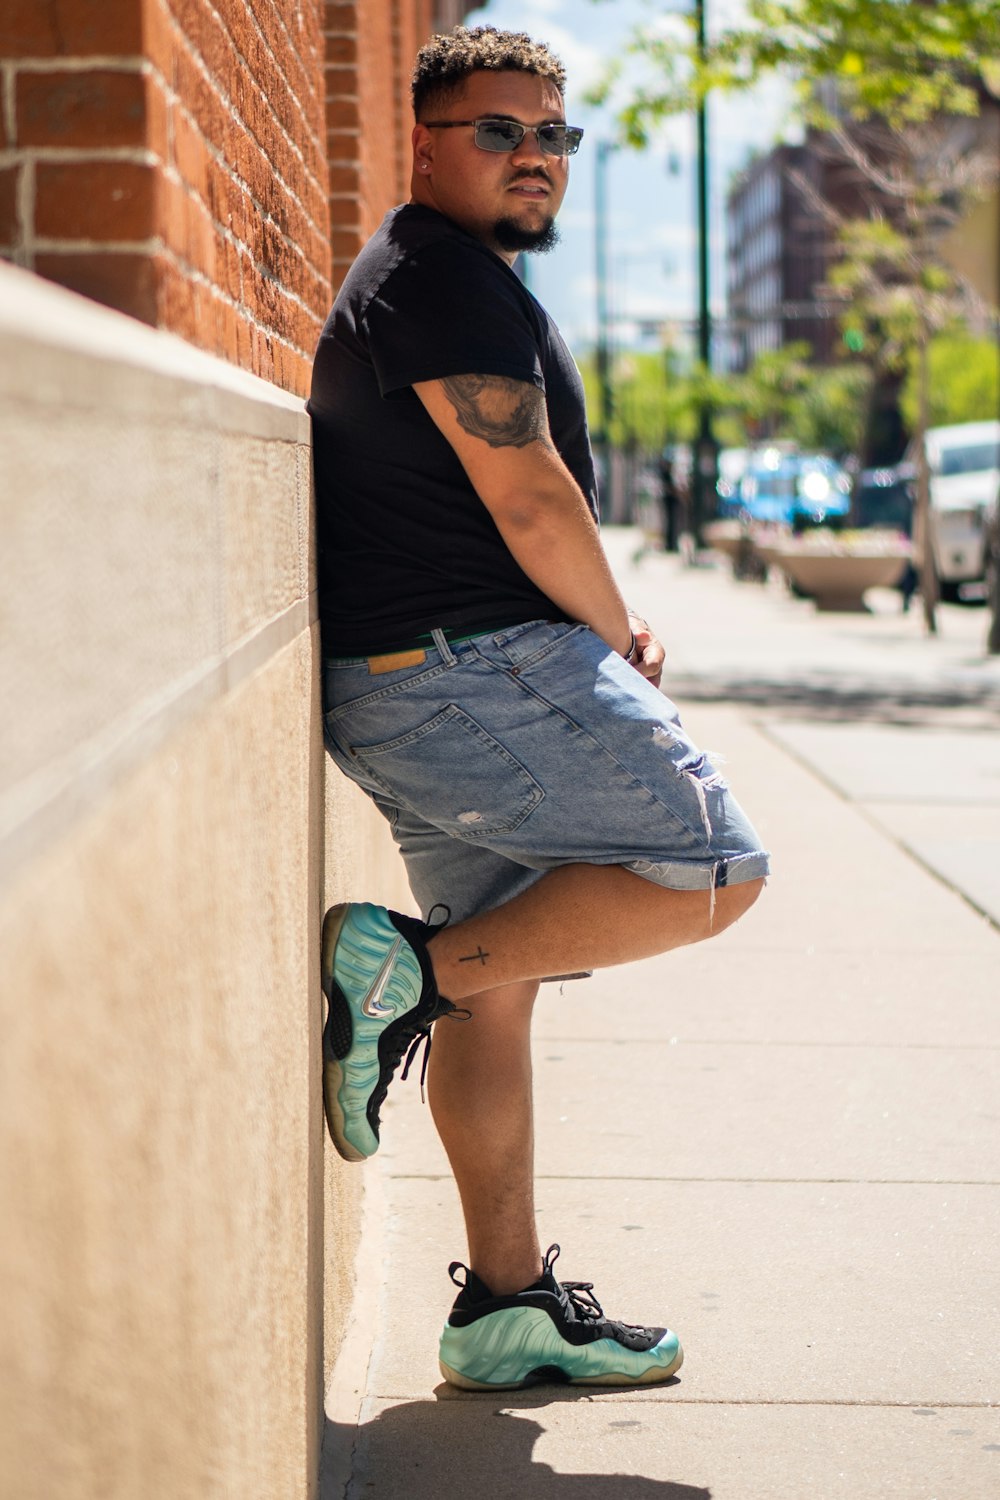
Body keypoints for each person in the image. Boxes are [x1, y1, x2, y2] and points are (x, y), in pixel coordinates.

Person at [308, 25, 769, 1393]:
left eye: (551, 135)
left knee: (497, 997)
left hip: (420, 681)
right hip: (473, 672)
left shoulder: (448, 278)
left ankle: (504, 1310)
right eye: (497, 131)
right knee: (716, 868)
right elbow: (527, 493)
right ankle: (401, 975)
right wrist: (612, 639)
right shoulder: (440, 283)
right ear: (425, 143)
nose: (532, 159)